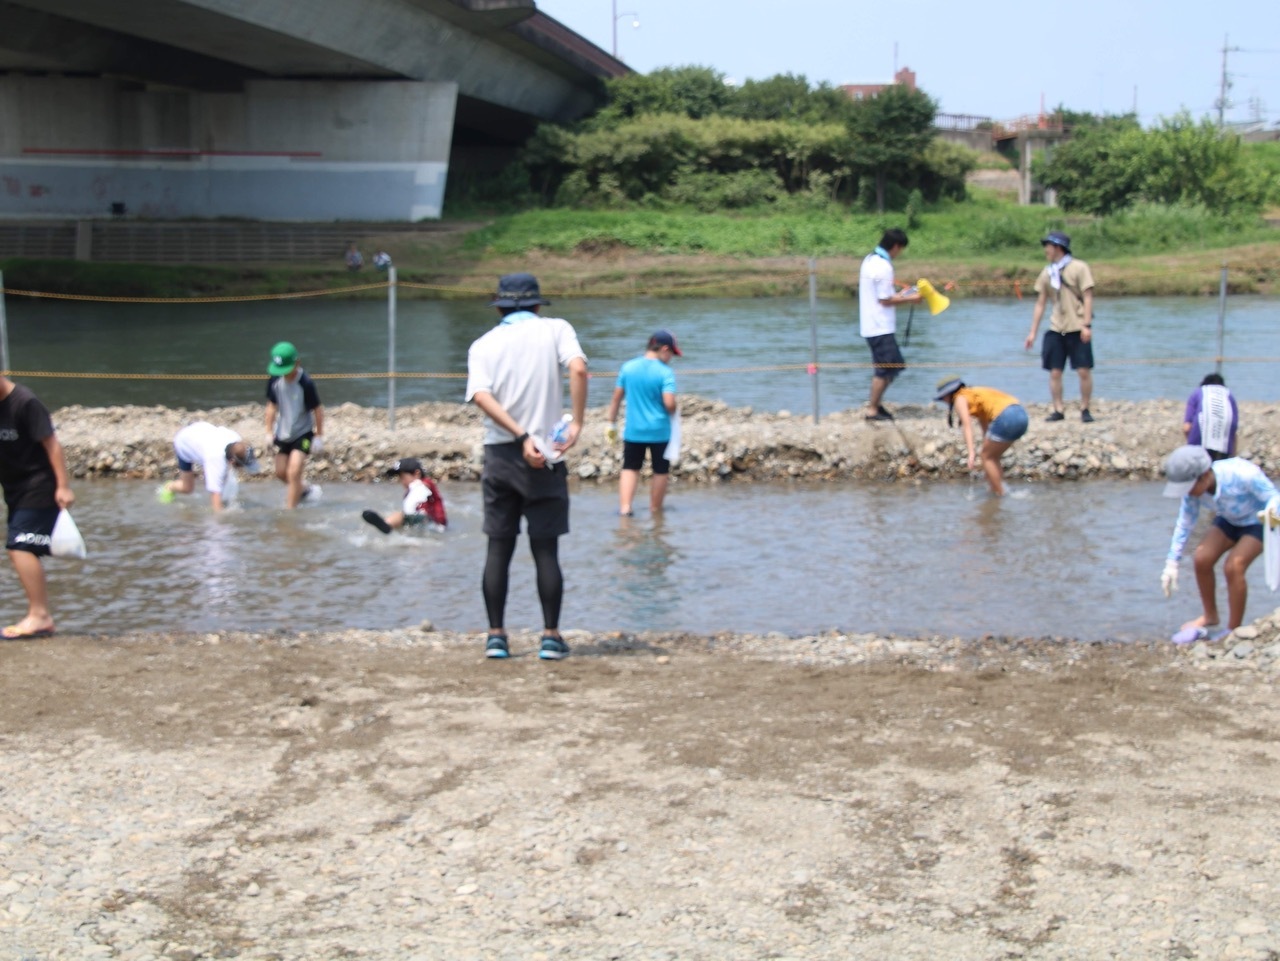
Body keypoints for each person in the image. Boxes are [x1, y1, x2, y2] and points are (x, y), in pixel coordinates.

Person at [465, 272, 588, 661]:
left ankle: (496, 637)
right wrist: (578, 422)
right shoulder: (556, 329)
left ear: (500, 307)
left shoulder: (483, 344)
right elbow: (579, 369)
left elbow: (481, 396)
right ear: (537, 305)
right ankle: (550, 637)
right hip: (546, 455)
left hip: (501, 454)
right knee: (545, 550)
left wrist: (519, 436)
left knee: (498, 548)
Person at [1161, 444, 1278, 644]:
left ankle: (1233, 629)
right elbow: (1185, 522)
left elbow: (1274, 497)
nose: (1187, 493)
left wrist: (1272, 512)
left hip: (1257, 522)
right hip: (1229, 519)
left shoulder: (1242, 474)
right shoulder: (1193, 493)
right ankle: (1210, 615)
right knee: (1201, 558)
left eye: (1189, 487)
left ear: (1205, 475)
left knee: (1234, 566)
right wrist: (1172, 562)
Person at [0, 375, 74, 639]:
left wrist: (63, 486)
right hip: (14, 489)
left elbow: (52, 444)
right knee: (21, 547)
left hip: (40, 484)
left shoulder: (25, 402)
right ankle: (39, 615)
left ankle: (40, 616)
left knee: (20, 547)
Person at [606, 329, 681, 516]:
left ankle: (625, 509)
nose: (671, 357)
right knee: (660, 470)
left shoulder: (628, 367)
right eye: (672, 353)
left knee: (630, 467)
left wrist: (611, 424)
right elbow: (669, 403)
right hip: (659, 431)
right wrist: (675, 410)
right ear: (664, 349)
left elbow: (616, 399)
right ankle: (655, 511)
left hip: (634, 430)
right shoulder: (665, 372)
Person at [1025, 230, 1096, 423]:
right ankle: (1058, 408)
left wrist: (1087, 324)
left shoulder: (1079, 267)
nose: (1045, 250)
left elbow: (1088, 296)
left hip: (1077, 325)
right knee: (1055, 371)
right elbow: (1041, 303)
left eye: (1048, 246)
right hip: (1056, 327)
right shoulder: (1047, 272)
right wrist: (1033, 332)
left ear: (1057, 247)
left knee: (1083, 370)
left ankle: (1085, 408)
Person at [859, 228, 923, 421]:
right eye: (900, 250)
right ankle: (872, 409)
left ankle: (876, 405)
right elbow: (885, 299)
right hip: (880, 326)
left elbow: (886, 294)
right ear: (896, 246)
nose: (899, 254)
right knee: (886, 368)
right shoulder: (883, 266)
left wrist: (909, 291)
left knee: (893, 366)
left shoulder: (870, 259)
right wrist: (911, 299)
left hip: (873, 324)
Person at [933, 376, 1029, 497]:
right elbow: (985, 426)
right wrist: (985, 446)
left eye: (942, 398)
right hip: (1021, 414)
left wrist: (971, 453)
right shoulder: (974, 394)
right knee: (993, 456)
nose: (943, 401)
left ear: (949, 394)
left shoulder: (959, 399)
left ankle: (1000, 495)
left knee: (986, 457)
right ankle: (996, 487)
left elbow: (967, 426)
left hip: (1006, 417)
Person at [265, 341, 325, 509]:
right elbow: (271, 407)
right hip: (283, 432)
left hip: (303, 433)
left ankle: (290, 515)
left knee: (293, 473)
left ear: (297, 363)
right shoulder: (275, 380)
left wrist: (319, 436)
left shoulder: (305, 383)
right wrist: (268, 433)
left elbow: (317, 410)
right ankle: (305, 490)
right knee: (280, 473)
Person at [160, 421, 260, 511]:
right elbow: (216, 504)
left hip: (200, 430)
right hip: (184, 442)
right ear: (232, 462)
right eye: (241, 466)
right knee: (187, 488)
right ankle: (169, 487)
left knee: (223, 480)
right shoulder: (215, 460)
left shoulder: (236, 440)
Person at [362, 457, 447, 533]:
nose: (401, 481)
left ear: (416, 474)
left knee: (400, 515)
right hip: (424, 522)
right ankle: (390, 525)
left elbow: (423, 487)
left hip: (431, 522)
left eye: (402, 477)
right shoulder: (411, 491)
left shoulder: (424, 483)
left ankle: (387, 525)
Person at [1182, 373, 1238, 460]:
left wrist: (1191, 446)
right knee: (1220, 469)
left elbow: (1187, 428)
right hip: (1225, 444)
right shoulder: (1229, 395)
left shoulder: (1198, 392)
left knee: (1201, 470)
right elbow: (1234, 429)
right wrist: (1233, 456)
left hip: (1200, 444)